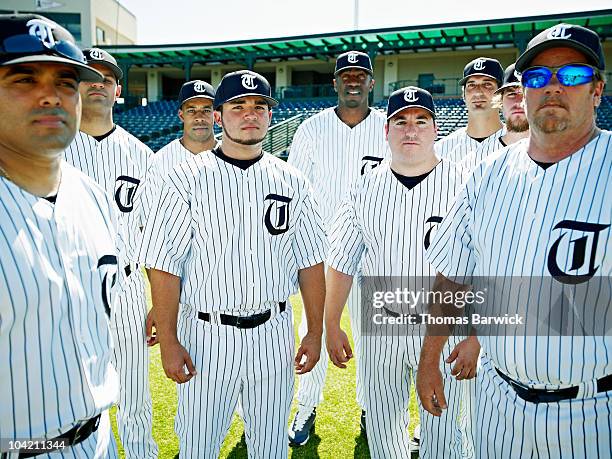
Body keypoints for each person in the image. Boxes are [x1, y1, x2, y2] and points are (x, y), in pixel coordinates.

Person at [417, 23, 610, 458]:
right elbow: (451, 277)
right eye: (538, 77)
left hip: (594, 411)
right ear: (523, 91)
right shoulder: (486, 175)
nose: (553, 87)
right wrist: (430, 358)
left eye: (573, 75)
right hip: (496, 402)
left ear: (597, 89)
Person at [138, 70, 327, 458]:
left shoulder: (292, 181)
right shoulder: (183, 178)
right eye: (238, 105)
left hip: (273, 332)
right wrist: (170, 340)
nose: (250, 113)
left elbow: (311, 263)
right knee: (198, 444)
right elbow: (164, 264)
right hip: (207, 334)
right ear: (220, 116)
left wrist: (313, 333)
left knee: (270, 444)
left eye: (259, 106)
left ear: (271, 116)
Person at [325, 86, 476, 458]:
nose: (411, 130)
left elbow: (484, 265)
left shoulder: (467, 184)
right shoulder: (363, 188)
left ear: (436, 129)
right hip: (382, 327)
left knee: (441, 436)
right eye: (401, 121)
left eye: (421, 121)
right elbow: (342, 262)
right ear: (386, 130)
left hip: (444, 329)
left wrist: (475, 334)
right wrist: (330, 323)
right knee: (382, 431)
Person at [0, 13, 119, 458]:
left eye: (67, 82)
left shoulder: (94, 198)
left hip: (99, 440)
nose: (51, 95)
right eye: (24, 78)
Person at [287, 50, 390, 445]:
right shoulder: (312, 130)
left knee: (373, 339)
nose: (352, 81)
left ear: (371, 82)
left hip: (374, 254)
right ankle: (306, 409)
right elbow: (294, 194)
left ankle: (371, 410)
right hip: (325, 255)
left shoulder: (388, 127)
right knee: (312, 330)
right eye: (345, 75)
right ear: (335, 82)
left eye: (359, 75)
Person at [63, 48, 157, 458]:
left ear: (118, 89)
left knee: (134, 390)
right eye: (89, 75)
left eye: (107, 77)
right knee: (72, 393)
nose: (98, 82)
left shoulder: (143, 156)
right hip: (68, 288)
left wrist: (159, 305)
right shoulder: (49, 150)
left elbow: (155, 236)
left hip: (130, 287)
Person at [138, 79, 217, 268]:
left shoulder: (231, 157)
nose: (199, 117)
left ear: (216, 114)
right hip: (176, 270)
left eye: (206, 110)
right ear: (181, 115)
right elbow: (148, 226)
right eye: (191, 110)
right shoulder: (159, 162)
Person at [435, 56, 505, 169]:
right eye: (471, 85)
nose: (477, 92)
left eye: (487, 84)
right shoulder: (441, 149)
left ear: (501, 94)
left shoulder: (521, 144)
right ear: (464, 95)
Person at [465, 63, 529, 167]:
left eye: (525, 93)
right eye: (511, 94)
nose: (518, 102)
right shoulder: (477, 159)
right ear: (500, 101)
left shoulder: (559, 152)